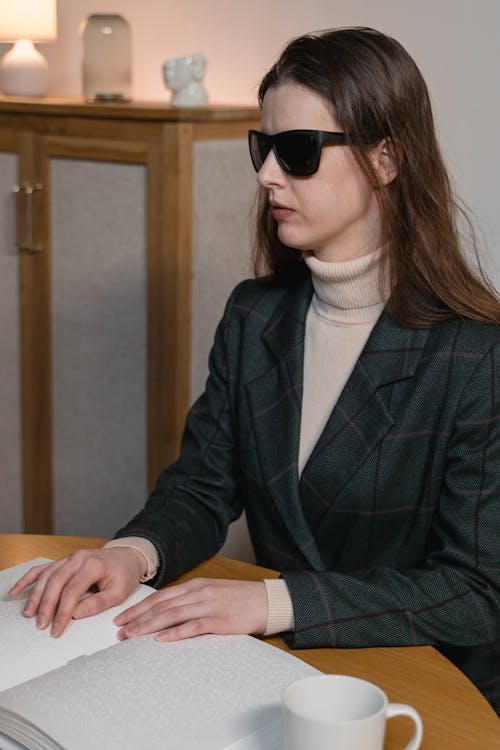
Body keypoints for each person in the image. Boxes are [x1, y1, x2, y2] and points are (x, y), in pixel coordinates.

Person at [11, 27, 500, 714]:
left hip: (420, 689)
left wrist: (272, 600)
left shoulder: (475, 353)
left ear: (387, 158)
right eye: (261, 148)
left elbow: (477, 594)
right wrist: (132, 554)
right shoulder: (255, 316)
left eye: (297, 151)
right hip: (271, 670)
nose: (268, 174)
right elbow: (204, 486)